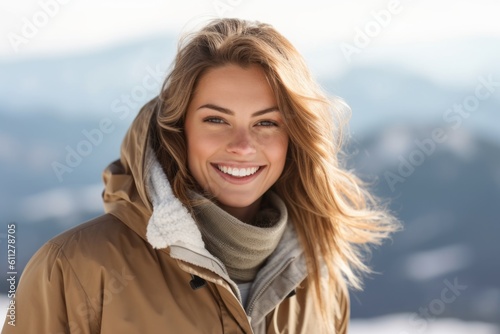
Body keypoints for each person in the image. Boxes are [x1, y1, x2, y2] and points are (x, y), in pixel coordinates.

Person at [2, 18, 399, 333]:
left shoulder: (320, 286)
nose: (243, 145)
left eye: (266, 124)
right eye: (216, 120)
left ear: (293, 137)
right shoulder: (73, 269)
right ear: (179, 131)